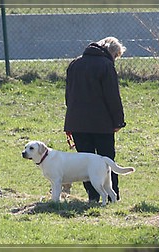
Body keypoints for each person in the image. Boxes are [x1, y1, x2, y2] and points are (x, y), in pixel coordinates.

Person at [64, 37, 127, 203]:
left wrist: (71, 118)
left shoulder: (74, 64)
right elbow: (112, 97)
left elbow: (68, 95)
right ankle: (114, 196)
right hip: (102, 124)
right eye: (116, 56)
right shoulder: (106, 66)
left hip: (77, 123)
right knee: (107, 161)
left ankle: (93, 197)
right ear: (112, 53)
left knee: (85, 162)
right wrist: (118, 121)